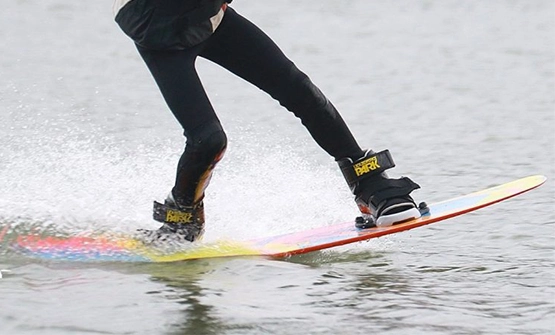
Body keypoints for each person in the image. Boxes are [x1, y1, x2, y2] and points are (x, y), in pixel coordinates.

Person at [113, 0, 421, 242]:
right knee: (208, 141)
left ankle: (369, 185)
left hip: (209, 19)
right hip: (156, 27)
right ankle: (181, 220)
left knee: (300, 91)